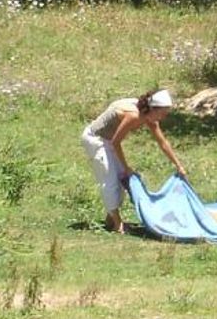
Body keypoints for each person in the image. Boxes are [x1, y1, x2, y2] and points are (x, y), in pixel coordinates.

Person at [80, 88, 186, 233]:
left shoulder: (149, 117)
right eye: (162, 113)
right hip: (96, 140)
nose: (163, 117)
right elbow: (116, 142)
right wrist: (126, 167)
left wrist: (178, 165)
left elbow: (163, 142)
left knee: (121, 179)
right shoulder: (134, 116)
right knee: (110, 179)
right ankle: (118, 225)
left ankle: (111, 219)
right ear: (153, 109)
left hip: (109, 141)